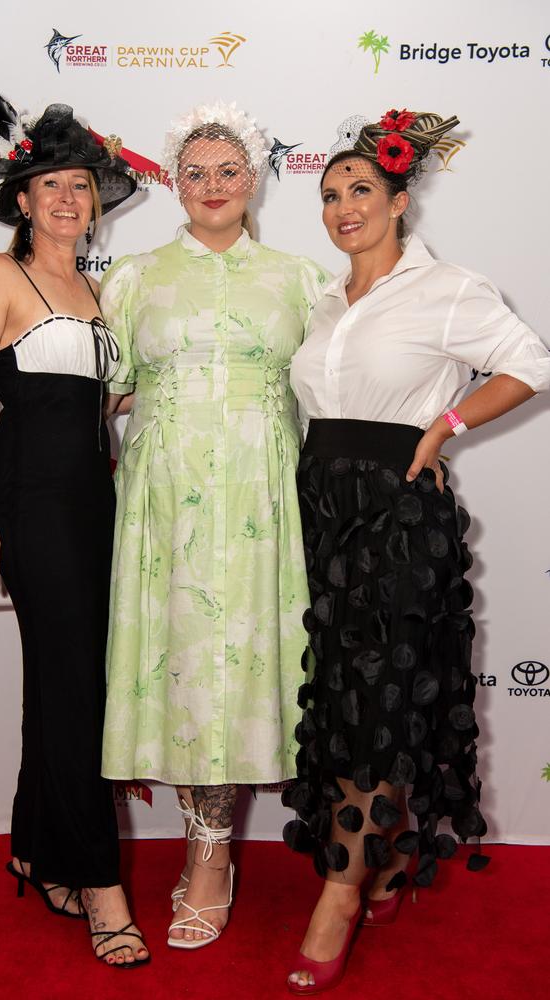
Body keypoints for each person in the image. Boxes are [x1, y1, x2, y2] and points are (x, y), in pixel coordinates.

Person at [283, 107, 550, 993]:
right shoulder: (324, 301)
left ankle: (339, 889)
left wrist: (442, 428)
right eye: (329, 195)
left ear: (400, 200)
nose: (342, 206)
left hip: (398, 520)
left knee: (379, 703)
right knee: (354, 703)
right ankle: (386, 857)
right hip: (324, 517)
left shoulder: (450, 290)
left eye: (361, 190)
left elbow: (530, 363)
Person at [99, 101, 330, 950]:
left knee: (246, 668)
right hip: (164, 498)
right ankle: (207, 849)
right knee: (187, 665)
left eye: (228, 170)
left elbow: (340, 388)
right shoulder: (133, 276)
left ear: (256, 178)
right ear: (171, 181)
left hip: (263, 499)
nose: (211, 186)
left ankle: (222, 853)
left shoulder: (302, 278)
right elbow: (105, 389)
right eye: (193, 172)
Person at [0, 81, 149, 968]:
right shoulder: (0, 276)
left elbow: (101, 407)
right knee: (75, 696)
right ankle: (101, 887)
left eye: (82, 186)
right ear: (22, 200)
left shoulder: (98, 290)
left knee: (65, 688)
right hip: (30, 506)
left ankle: (37, 847)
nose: (69, 199)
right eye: (52, 186)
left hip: (96, 506)